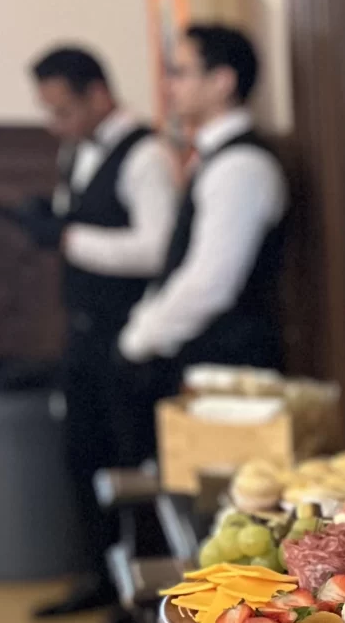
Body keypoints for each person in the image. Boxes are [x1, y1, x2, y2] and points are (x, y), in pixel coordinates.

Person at [13, 44, 179, 619]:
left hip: (130, 336)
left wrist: (67, 237)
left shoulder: (146, 155)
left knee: (131, 459)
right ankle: (99, 578)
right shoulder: (76, 152)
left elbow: (156, 249)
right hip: (83, 333)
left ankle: (144, 592)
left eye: (62, 110)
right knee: (83, 454)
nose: (54, 123)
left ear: (99, 95)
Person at [119, 22, 290, 394]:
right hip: (203, 362)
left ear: (222, 81)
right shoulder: (211, 158)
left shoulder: (240, 166)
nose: (169, 87)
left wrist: (142, 337)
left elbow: (211, 283)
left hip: (231, 369)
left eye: (180, 73)